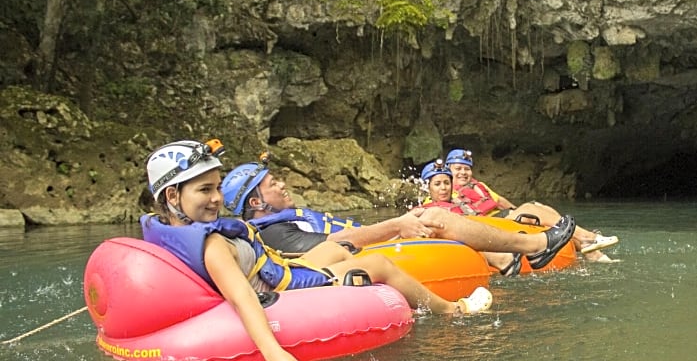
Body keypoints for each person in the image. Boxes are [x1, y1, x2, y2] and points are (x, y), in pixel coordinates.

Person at [141, 140, 495, 361]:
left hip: (274, 266)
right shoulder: (213, 245)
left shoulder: (166, 230)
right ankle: (453, 311)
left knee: (337, 250)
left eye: (217, 187)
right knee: (380, 266)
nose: (216, 198)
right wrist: (276, 357)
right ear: (172, 195)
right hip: (283, 285)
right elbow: (242, 297)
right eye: (204, 190)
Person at [219, 156, 577, 276]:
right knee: (436, 217)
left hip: (377, 245)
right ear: (256, 204)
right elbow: (334, 246)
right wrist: (397, 226)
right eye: (271, 185)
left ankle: (502, 255)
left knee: (429, 214)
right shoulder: (273, 232)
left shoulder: (287, 216)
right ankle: (534, 245)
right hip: (363, 259)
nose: (281, 185)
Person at [445, 148, 619, 259]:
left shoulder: (478, 186)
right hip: (486, 227)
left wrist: (516, 212)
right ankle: (587, 237)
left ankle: (590, 250)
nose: (463, 172)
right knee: (529, 208)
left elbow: (501, 202)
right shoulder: (444, 191)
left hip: (502, 219)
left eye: (466, 168)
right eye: (457, 168)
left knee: (540, 208)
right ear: (448, 170)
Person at [414, 159, 522, 275]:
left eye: (446, 183)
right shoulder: (424, 210)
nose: (444, 188)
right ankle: (501, 258)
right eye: (437, 184)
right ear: (427, 187)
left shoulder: (460, 199)